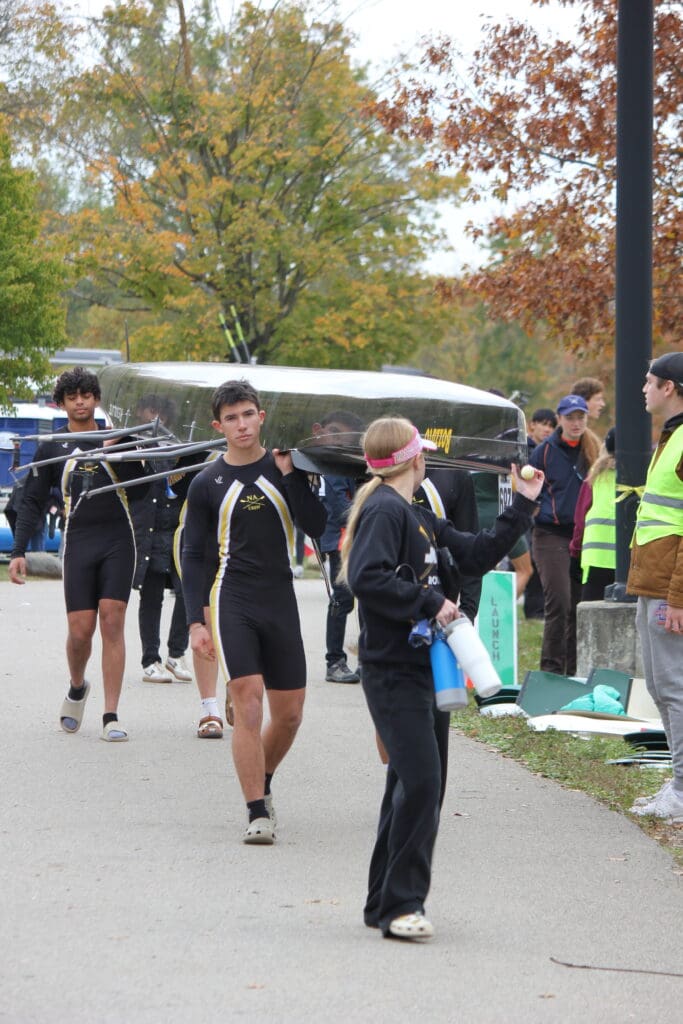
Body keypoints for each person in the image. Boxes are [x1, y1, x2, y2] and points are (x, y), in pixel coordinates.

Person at [340, 416, 542, 941]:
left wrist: (520, 504)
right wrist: (432, 602)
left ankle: (382, 899)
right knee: (424, 780)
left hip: (427, 664)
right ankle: (403, 906)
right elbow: (368, 578)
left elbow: (474, 552)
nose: (426, 456)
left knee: (412, 781)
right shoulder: (385, 509)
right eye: (422, 450)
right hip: (393, 668)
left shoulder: (417, 511)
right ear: (412, 458)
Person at [181, 379, 326, 844]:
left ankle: (262, 781)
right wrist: (195, 621)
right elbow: (195, 556)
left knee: (289, 715)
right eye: (231, 418)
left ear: (261, 417)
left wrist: (289, 476)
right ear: (217, 425)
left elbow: (319, 526)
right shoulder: (207, 483)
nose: (241, 425)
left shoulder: (289, 466)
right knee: (248, 702)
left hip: (280, 598)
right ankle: (256, 811)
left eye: (248, 414)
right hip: (233, 598)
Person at [8, 367, 148, 742]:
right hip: (80, 543)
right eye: (73, 397)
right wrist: (18, 550)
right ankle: (76, 685)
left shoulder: (117, 439)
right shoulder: (52, 446)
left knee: (112, 621)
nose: (81, 402)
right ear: (62, 403)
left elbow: (140, 492)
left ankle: (111, 715)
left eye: (87, 395)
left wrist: (123, 452)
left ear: (97, 399)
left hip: (119, 540)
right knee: (80, 631)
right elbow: (33, 501)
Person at [627, 353, 683, 821]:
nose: (642, 389)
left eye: (649, 381)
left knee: (674, 686)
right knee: (663, 688)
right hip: (654, 582)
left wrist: (678, 596)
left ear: (670, 387)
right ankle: (679, 784)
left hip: (670, 589)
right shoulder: (670, 438)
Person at [529, 394, 599, 675]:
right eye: (570, 417)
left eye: (580, 417)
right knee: (559, 600)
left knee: (578, 606)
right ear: (560, 419)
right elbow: (528, 489)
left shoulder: (593, 449)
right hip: (550, 535)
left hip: (581, 535)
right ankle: (551, 671)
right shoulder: (544, 451)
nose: (576, 422)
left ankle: (573, 672)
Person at [129, 395, 193, 685]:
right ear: (140, 411)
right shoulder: (132, 444)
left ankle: (176, 654)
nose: (156, 416)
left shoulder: (184, 444)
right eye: (150, 410)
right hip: (151, 534)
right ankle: (150, 659)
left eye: (161, 411)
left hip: (179, 533)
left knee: (187, 594)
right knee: (151, 597)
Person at [312, 410, 365, 684]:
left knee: (367, 598)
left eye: (343, 433)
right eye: (332, 431)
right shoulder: (330, 464)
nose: (338, 438)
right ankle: (334, 661)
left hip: (359, 538)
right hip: (341, 541)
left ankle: (366, 661)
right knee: (342, 600)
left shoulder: (352, 462)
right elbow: (339, 507)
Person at [569, 427, 616, 601]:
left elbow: (580, 521)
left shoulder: (595, 478)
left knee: (593, 619)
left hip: (597, 560)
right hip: (634, 564)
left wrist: (575, 553)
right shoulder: (642, 476)